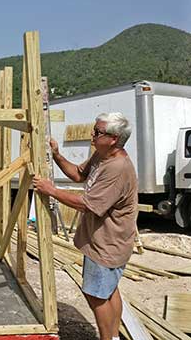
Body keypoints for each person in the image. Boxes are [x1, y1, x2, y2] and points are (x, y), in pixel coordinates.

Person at [33, 112, 137, 340]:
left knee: (96, 295)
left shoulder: (117, 168)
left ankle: (107, 338)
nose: (92, 135)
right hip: (104, 239)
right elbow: (79, 175)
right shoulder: (102, 156)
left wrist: (51, 190)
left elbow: (88, 205)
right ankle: (113, 337)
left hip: (108, 242)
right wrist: (58, 155)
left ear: (113, 138)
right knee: (108, 290)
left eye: (98, 132)